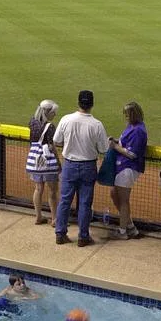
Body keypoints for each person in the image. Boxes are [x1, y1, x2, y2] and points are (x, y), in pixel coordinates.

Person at [53, 90, 108, 247]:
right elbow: (103, 149)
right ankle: (83, 237)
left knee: (65, 200)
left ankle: (60, 234)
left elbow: (56, 140)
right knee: (85, 202)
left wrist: (70, 145)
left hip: (69, 164)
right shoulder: (96, 124)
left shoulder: (66, 119)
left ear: (78, 103)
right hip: (88, 166)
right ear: (92, 104)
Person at [108, 101, 147, 240]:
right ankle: (131, 227)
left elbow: (133, 154)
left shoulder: (139, 131)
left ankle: (123, 231)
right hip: (122, 166)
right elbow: (126, 143)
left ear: (133, 114)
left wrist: (115, 146)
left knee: (123, 200)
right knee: (114, 194)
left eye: (127, 114)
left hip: (128, 168)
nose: (125, 117)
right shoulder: (132, 126)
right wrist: (117, 141)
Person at [26, 100, 61, 226]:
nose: (54, 115)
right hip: (48, 162)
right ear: (48, 112)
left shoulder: (32, 122)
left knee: (38, 188)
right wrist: (58, 163)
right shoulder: (50, 127)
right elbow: (52, 146)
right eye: (53, 112)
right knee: (52, 191)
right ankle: (55, 219)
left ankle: (38, 216)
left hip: (35, 161)